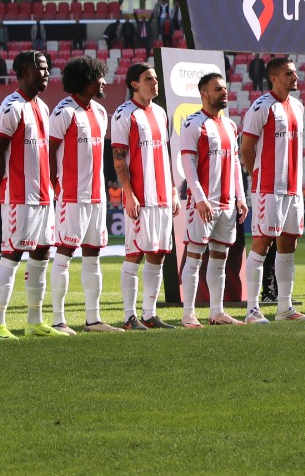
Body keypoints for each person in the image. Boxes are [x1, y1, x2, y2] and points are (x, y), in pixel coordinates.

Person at [0, 51, 66, 341]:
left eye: (47, 68)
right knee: (11, 255)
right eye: (39, 68)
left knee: (42, 253)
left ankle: (34, 320)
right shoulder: (11, 107)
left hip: (44, 196)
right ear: (22, 71)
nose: (46, 73)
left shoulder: (43, 107)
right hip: (18, 196)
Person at [47, 55, 120, 334]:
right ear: (85, 80)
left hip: (96, 196)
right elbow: (50, 153)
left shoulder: (100, 112)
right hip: (71, 196)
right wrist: (56, 186)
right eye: (98, 76)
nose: (103, 81)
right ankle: (57, 320)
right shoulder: (64, 112)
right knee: (64, 254)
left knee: (94, 255)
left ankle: (94, 319)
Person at [239, 57, 305, 323]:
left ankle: (285, 308)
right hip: (268, 188)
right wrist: (259, 178)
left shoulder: (298, 106)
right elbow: (246, 149)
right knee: (261, 245)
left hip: (293, 189)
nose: (295, 77)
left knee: (288, 246)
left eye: (294, 72)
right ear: (274, 77)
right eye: (288, 73)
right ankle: (252, 310)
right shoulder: (261, 107)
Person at [176, 71, 248, 328]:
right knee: (195, 256)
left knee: (220, 259)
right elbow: (188, 163)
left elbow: (236, 165)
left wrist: (241, 196)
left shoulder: (229, 125)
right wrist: (199, 198)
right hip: (204, 204)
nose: (224, 92)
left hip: (228, 205)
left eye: (225, 88)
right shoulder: (193, 123)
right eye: (218, 89)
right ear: (204, 93)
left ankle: (217, 312)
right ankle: (188, 313)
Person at [111, 62, 176, 329]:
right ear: (134, 84)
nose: (155, 82)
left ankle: (149, 315)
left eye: (156, 78)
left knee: (158, 254)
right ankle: (129, 317)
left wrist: (172, 189)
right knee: (134, 253)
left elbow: (166, 154)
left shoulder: (161, 113)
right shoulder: (124, 114)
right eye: (149, 78)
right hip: (141, 197)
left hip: (162, 196)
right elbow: (119, 159)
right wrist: (128, 193)